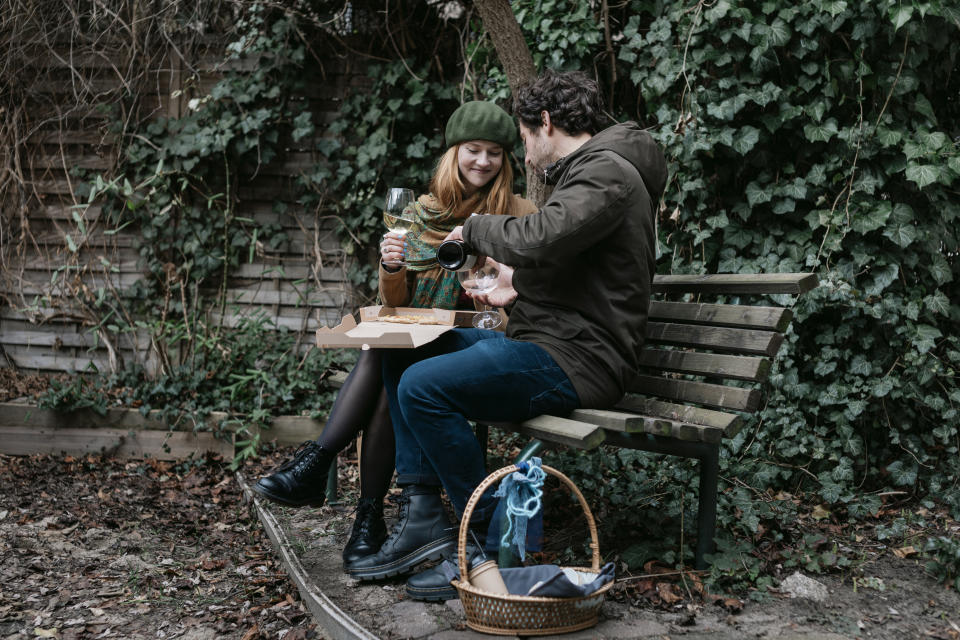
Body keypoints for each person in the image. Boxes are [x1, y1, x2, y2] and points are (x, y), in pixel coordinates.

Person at [345, 70, 667, 601]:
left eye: (520, 139)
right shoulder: (597, 170)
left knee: (424, 387)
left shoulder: (606, 172)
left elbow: (542, 236)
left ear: (544, 122)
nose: (525, 151)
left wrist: (474, 230)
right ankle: (425, 517)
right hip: (550, 343)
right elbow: (575, 264)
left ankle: (489, 544)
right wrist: (517, 284)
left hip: (579, 360)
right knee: (408, 352)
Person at [252, 101, 538, 568]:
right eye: (473, 150)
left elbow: (521, 303)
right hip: (416, 339)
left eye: (493, 153)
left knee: (387, 355)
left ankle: (334, 481)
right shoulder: (420, 213)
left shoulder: (519, 213)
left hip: (475, 344)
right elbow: (395, 304)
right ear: (453, 153)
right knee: (389, 352)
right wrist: (390, 266)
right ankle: (368, 514)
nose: (483, 161)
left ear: (506, 161)